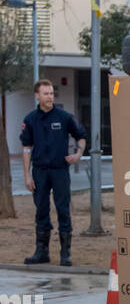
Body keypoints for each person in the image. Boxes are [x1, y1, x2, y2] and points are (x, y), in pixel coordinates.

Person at [20, 79, 87, 265]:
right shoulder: (30, 119)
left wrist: (78, 154)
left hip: (60, 171)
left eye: (51, 93)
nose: (50, 97)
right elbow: (26, 148)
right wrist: (27, 175)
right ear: (37, 96)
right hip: (40, 172)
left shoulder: (64, 117)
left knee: (63, 209)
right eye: (46, 93)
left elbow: (81, 136)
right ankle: (42, 252)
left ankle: (65, 253)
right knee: (41, 211)